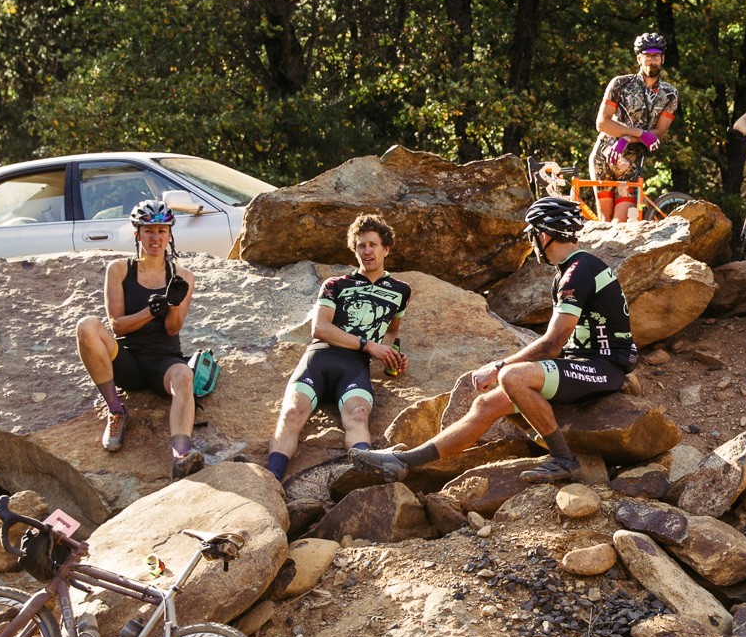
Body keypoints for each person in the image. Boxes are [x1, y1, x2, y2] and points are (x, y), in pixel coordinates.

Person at [339, 198, 633, 490]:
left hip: (601, 368)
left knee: (511, 377)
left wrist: (498, 366)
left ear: (544, 234)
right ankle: (404, 461)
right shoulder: (573, 269)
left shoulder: (577, 271)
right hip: (582, 364)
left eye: (532, 235)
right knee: (486, 403)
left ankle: (563, 458)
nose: (532, 243)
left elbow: (553, 343)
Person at [264, 214, 410, 482]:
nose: (366, 251)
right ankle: (270, 483)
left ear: (386, 248)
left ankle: (361, 480)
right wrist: (368, 346)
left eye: (372, 245)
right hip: (320, 358)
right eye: (360, 246)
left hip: (354, 369)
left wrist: (390, 355)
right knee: (292, 414)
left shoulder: (401, 290)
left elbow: (392, 330)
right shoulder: (335, 285)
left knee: (357, 416)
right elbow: (320, 328)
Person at [73, 200, 204, 479]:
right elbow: (117, 325)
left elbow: (172, 329)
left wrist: (171, 305)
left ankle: (181, 455)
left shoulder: (183, 276)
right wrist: (149, 311)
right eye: (148, 231)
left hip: (164, 361)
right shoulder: (119, 269)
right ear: (137, 235)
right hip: (128, 359)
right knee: (87, 326)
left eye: (161, 230)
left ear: (169, 234)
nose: (155, 237)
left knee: (184, 377)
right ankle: (116, 411)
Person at [590, 31, 680, 222]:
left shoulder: (670, 94)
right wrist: (638, 132)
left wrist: (628, 138)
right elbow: (602, 123)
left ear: (662, 59)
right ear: (639, 58)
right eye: (647, 56)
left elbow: (658, 133)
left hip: (631, 162)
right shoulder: (620, 84)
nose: (652, 61)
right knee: (605, 223)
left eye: (656, 56)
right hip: (605, 157)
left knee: (620, 224)